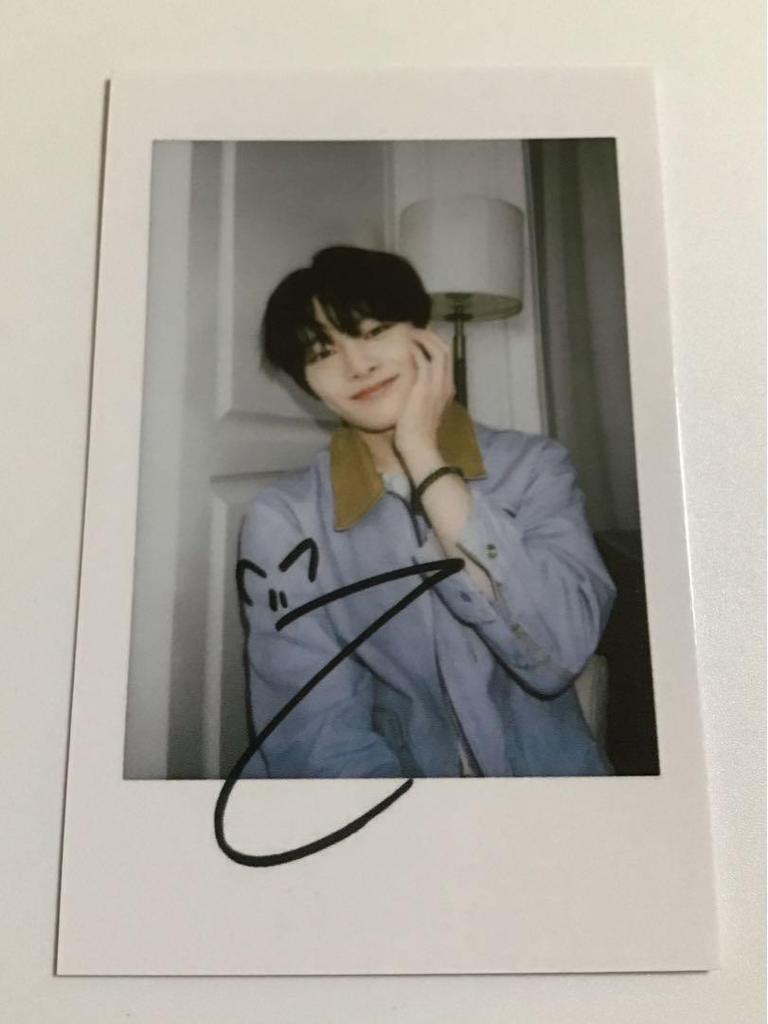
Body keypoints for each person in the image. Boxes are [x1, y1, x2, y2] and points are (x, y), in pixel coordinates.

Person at [237, 245, 615, 779]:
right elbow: (315, 735)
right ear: (306, 382)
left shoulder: (535, 467)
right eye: (322, 352)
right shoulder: (285, 520)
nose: (357, 365)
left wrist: (424, 457)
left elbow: (557, 654)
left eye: (373, 331)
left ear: (423, 333)